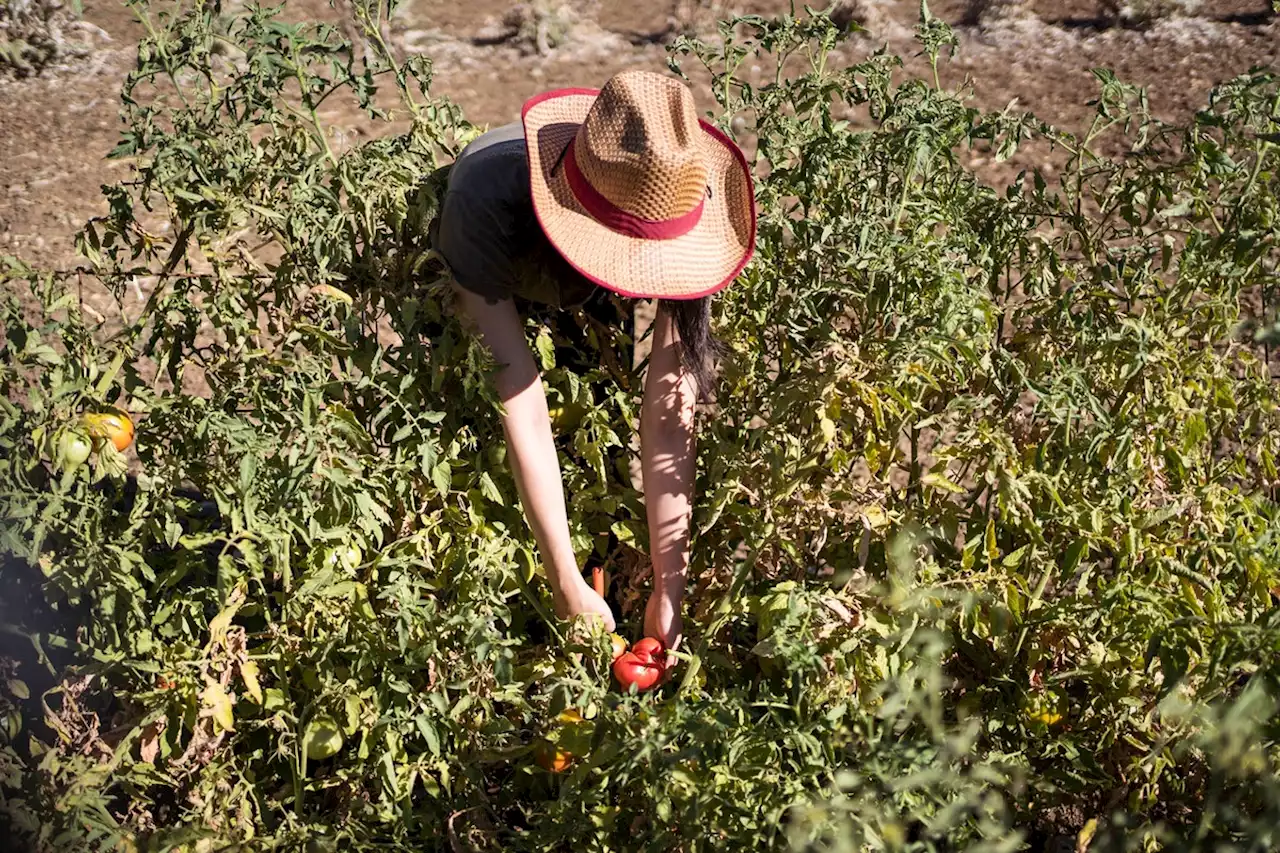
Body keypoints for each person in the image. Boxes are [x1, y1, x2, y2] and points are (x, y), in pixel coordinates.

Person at [433, 70, 756, 656]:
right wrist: (561, 580)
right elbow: (517, 389)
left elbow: (668, 406)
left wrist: (670, 589)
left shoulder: (681, 199)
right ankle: (542, 605)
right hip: (501, 253)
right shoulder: (481, 203)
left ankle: (600, 577)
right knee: (476, 443)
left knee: (597, 430)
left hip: (582, 259)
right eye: (631, 257)